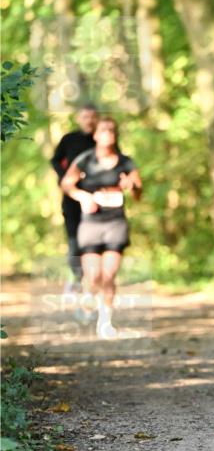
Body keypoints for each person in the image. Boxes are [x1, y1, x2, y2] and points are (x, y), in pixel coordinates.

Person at [60, 116, 142, 339]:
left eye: (111, 131)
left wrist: (131, 185)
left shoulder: (125, 162)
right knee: (94, 275)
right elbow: (66, 184)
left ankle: (105, 322)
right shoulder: (85, 160)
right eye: (103, 130)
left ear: (115, 135)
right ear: (95, 135)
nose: (107, 134)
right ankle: (88, 295)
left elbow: (138, 192)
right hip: (91, 223)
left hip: (115, 223)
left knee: (109, 274)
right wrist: (83, 196)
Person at [50, 104, 98, 289]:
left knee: (95, 240)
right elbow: (55, 160)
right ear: (79, 118)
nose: (89, 120)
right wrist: (64, 179)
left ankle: (95, 280)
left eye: (92, 117)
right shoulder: (69, 139)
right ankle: (77, 278)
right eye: (85, 117)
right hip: (71, 198)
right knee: (74, 242)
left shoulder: (102, 139)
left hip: (97, 198)